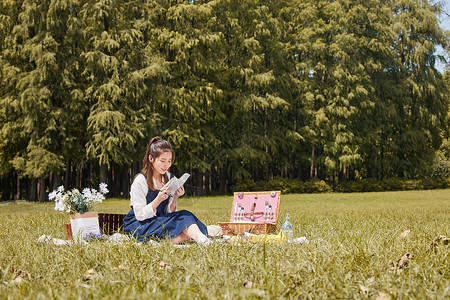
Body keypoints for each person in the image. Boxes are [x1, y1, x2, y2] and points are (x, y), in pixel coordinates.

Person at [123, 137, 211, 244]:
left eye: (169, 161)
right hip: (139, 224)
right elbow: (140, 215)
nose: (166, 165)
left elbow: (168, 213)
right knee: (184, 218)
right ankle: (202, 240)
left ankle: (165, 242)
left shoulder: (169, 177)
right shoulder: (140, 181)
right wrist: (158, 200)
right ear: (151, 159)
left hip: (158, 221)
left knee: (186, 219)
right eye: (162, 161)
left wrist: (175, 197)